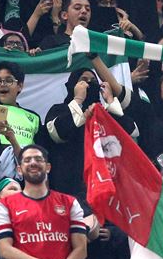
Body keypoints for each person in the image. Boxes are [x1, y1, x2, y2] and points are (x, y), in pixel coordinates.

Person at [45, 61, 130, 197]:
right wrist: (78, 99)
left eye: (93, 80)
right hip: (71, 186)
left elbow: (130, 132)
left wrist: (109, 100)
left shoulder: (105, 112)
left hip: (107, 185)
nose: (89, 84)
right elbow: (57, 133)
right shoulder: (59, 110)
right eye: (83, 80)